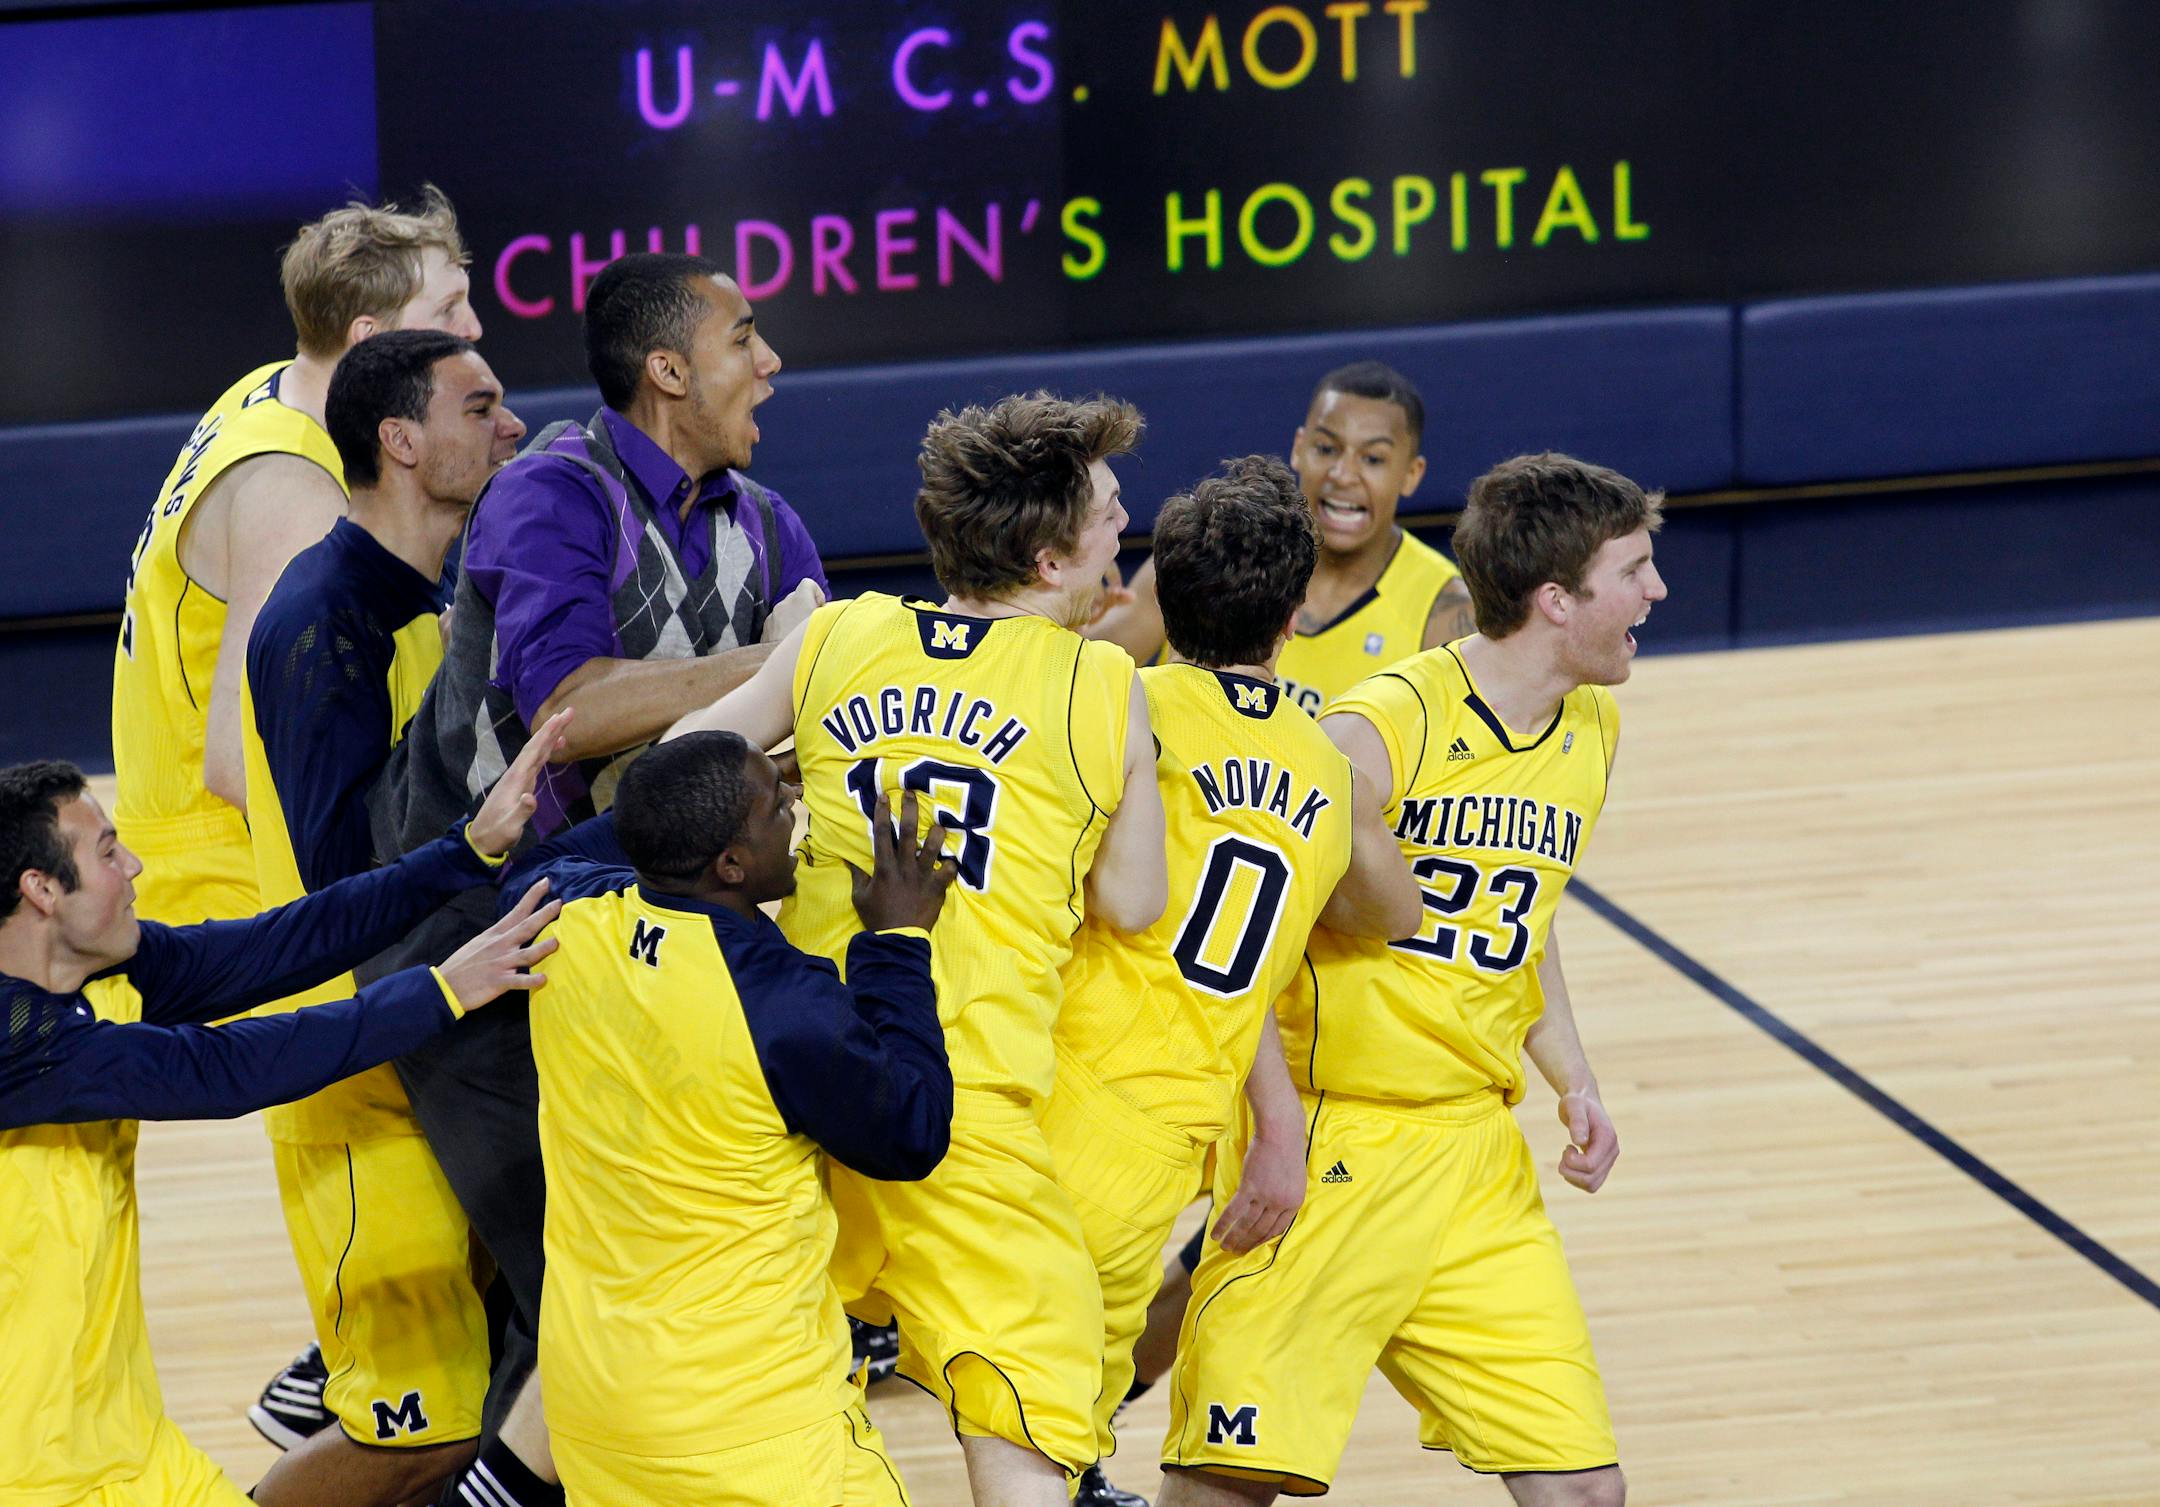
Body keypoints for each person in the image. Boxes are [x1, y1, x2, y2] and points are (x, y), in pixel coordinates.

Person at [360, 251, 826, 1503]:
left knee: (613, 1290)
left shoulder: (770, 522)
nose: (769, 359)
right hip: (477, 947)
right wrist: (772, 658)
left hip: (634, 951)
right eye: (745, 337)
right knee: (573, 1290)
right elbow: (570, 708)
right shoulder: (551, 493)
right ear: (669, 370)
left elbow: (810, 716)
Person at [669, 392, 1168, 1506]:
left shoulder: (841, 633)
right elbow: (1134, 902)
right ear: (1048, 558)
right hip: (961, 1110)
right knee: (1027, 1430)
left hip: (791, 1094)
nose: (1122, 533)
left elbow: (676, 766)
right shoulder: (1101, 684)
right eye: (1107, 519)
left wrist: (784, 794)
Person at [1156, 453, 1665, 1507]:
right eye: (1636, 570)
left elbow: (1528, 907)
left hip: (1476, 1159)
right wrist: (1276, 1127)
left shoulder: (1592, 725)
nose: (1655, 592)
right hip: (1340, 1137)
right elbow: (1250, 941)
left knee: (1586, 1492)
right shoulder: (1379, 728)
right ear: (1557, 598)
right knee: (1226, 1485)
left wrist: (1573, 1072)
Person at [0, 745, 560, 1507]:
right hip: (31, 1475)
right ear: (41, 890)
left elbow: (277, 944)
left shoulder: (94, 969)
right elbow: (225, 1067)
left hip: (134, 1450)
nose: (133, 865)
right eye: (106, 851)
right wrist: (439, 992)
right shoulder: (16, 1039)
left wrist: (459, 852)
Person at [1041, 457, 1421, 1507]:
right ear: (1297, 615)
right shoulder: (1321, 767)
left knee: (1023, 1398)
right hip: (1158, 1127)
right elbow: (1396, 916)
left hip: (1054, 1079)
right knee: (1049, 1404)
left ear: (1160, 596)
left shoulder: (1119, 700)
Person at [233, 330, 532, 1506]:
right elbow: (342, 877)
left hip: (443, 1025)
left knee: (509, 1385)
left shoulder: (434, 590)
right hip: (359, 1069)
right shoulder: (320, 616)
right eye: (482, 406)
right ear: (402, 441)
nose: (510, 427)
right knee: (419, 1429)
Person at [524, 735, 955, 1505]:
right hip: (751, 1424)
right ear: (730, 865)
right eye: (773, 805)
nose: (794, 807)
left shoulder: (564, 918)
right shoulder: (783, 1003)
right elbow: (912, 1130)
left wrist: (682, 806)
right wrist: (897, 940)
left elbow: (550, 855)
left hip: (592, 1410)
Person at [110, 185, 482, 929]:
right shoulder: (296, 489)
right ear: (369, 337)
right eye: (447, 311)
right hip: (237, 891)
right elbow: (236, 760)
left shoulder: (273, 392)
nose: (472, 328)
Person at [1089, 361, 1473, 714]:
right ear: (1299, 448)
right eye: (1326, 449)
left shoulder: (1444, 609)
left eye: (1372, 459)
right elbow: (1079, 683)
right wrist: (1068, 612)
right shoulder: (1211, 550)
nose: (1343, 474)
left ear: (1411, 473)